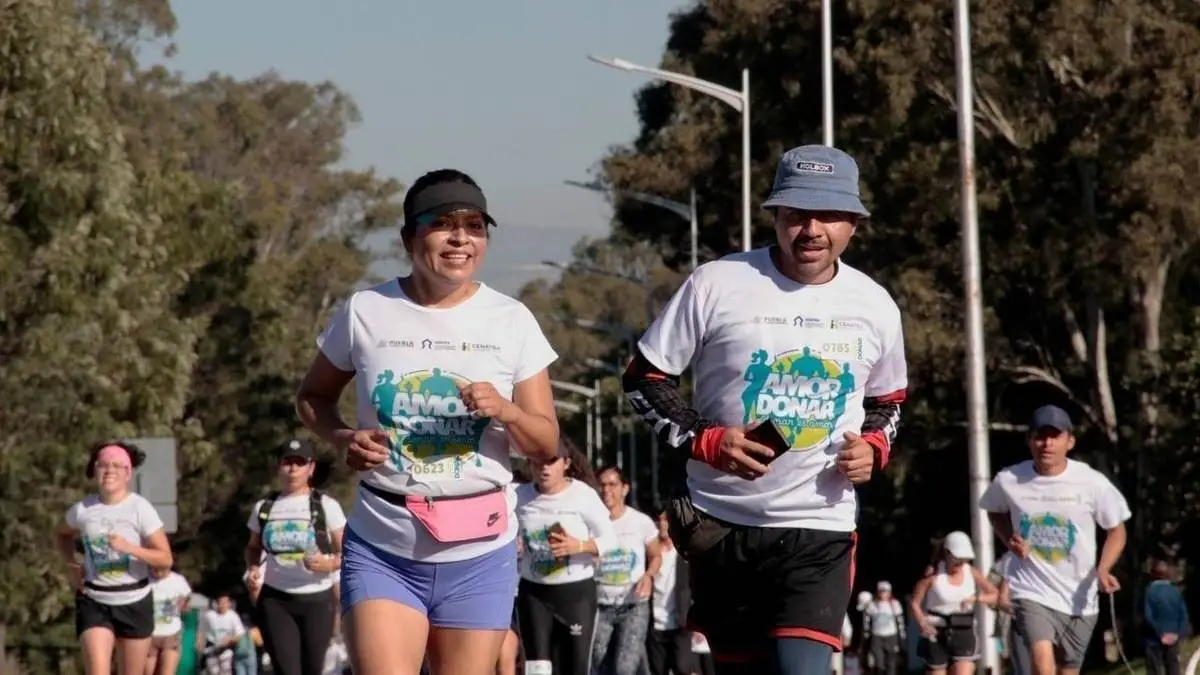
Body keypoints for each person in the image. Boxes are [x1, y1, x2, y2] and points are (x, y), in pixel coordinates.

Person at [622, 145, 908, 675]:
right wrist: (709, 439)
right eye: (796, 215)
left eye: (829, 216)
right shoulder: (717, 283)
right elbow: (644, 379)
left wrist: (874, 448)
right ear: (775, 216)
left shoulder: (874, 305)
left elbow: (887, 401)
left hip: (817, 526)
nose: (811, 230)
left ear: (854, 225)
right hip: (722, 525)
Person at [295, 168, 560, 675]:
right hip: (383, 545)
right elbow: (313, 397)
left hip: (480, 552)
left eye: (475, 226)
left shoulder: (512, 320)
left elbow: (546, 445)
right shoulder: (366, 310)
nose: (461, 237)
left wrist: (505, 410)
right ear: (409, 238)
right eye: (443, 224)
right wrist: (343, 436)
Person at [979, 404, 1131, 675]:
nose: (1046, 444)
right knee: (1042, 662)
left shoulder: (1091, 482)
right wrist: (1009, 539)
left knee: (1067, 671)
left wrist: (1104, 568)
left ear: (1069, 441)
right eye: (1039, 436)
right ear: (1029, 440)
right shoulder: (1009, 480)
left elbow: (1116, 530)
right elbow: (993, 510)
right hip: (1031, 589)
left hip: (1079, 597)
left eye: (1055, 436)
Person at [57, 441, 174, 675]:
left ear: (127, 472)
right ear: (95, 471)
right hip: (94, 600)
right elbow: (62, 535)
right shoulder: (82, 510)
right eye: (102, 465)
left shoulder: (141, 509)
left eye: (116, 466)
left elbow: (165, 559)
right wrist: (72, 564)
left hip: (134, 600)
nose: (109, 470)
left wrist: (129, 548)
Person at [244, 438, 346, 675]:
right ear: (279, 467)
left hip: (317, 600)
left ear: (311, 468)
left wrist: (329, 563)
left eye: (299, 462)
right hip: (275, 599)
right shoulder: (264, 507)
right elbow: (252, 547)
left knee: (313, 669)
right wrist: (253, 568)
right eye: (287, 462)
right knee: (286, 670)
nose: (292, 468)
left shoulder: (326, 506)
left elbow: (350, 553)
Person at [514, 439, 614, 675]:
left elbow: (610, 541)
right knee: (536, 669)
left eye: (551, 461)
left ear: (566, 463)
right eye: (538, 462)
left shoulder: (583, 495)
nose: (545, 468)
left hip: (575, 595)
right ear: (529, 464)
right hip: (534, 594)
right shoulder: (519, 496)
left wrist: (578, 545)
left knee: (575, 668)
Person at [591, 466, 662, 675]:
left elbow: (656, 556)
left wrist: (649, 576)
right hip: (600, 605)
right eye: (602, 485)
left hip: (633, 606)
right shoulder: (591, 522)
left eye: (612, 484)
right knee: (598, 663)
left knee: (624, 667)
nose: (606, 490)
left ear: (625, 489)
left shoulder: (641, 522)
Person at [909, 531, 999, 675]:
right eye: (957, 559)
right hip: (936, 633)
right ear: (947, 554)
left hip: (964, 630)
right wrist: (922, 622)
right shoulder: (933, 574)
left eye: (964, 560)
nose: (961, 563)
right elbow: (914, 603)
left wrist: (976, 599)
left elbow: (994, 594)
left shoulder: (971, 572)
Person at [646, 508, 698, 675]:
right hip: (654, 623)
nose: (662, 525)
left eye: (666, 520)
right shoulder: (650, 555)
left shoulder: (685, 554)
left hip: (679, 622)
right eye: (659, 520)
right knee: (656, 669)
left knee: (683, 668)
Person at [1144, 559, 1189, 675]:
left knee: (1154, 669)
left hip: (1154, 637)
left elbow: (1148, 616)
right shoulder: (1175, 591)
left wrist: (1160, 633)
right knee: (1173, 667)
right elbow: (1183, 614)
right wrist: (1179, 633)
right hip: (1173, 635)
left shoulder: (1150, 592)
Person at [146, 566, 192, 675]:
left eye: (161, 568)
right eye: (155, 568)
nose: (158, 571)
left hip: (171, 634)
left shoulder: (178, 580)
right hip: (149, 635)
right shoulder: (145, 578)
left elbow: (187, 598)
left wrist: (184, 605)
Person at [862, 582, 905, 675]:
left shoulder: (895, 604)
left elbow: (900, 622)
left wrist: (902, 638)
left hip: (891, 636)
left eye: (885, 591)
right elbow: (866, 623)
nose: (883, 593)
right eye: (881, 591)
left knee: (891, 662)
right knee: (878, 662)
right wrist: (866, 636)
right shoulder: (872, 605)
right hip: (877, 636)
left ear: (889, 592)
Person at [202, 595, 247, 675]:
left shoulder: (233, 616)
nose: (222, 605)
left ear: (229, 604)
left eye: (225, 602)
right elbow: (201, 629)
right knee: (213, 672)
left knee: (226, 671)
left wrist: (229, 639)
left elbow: (241, 635)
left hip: (227, 650)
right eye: (220, 602)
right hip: (211, 649)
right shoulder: (209, 615)